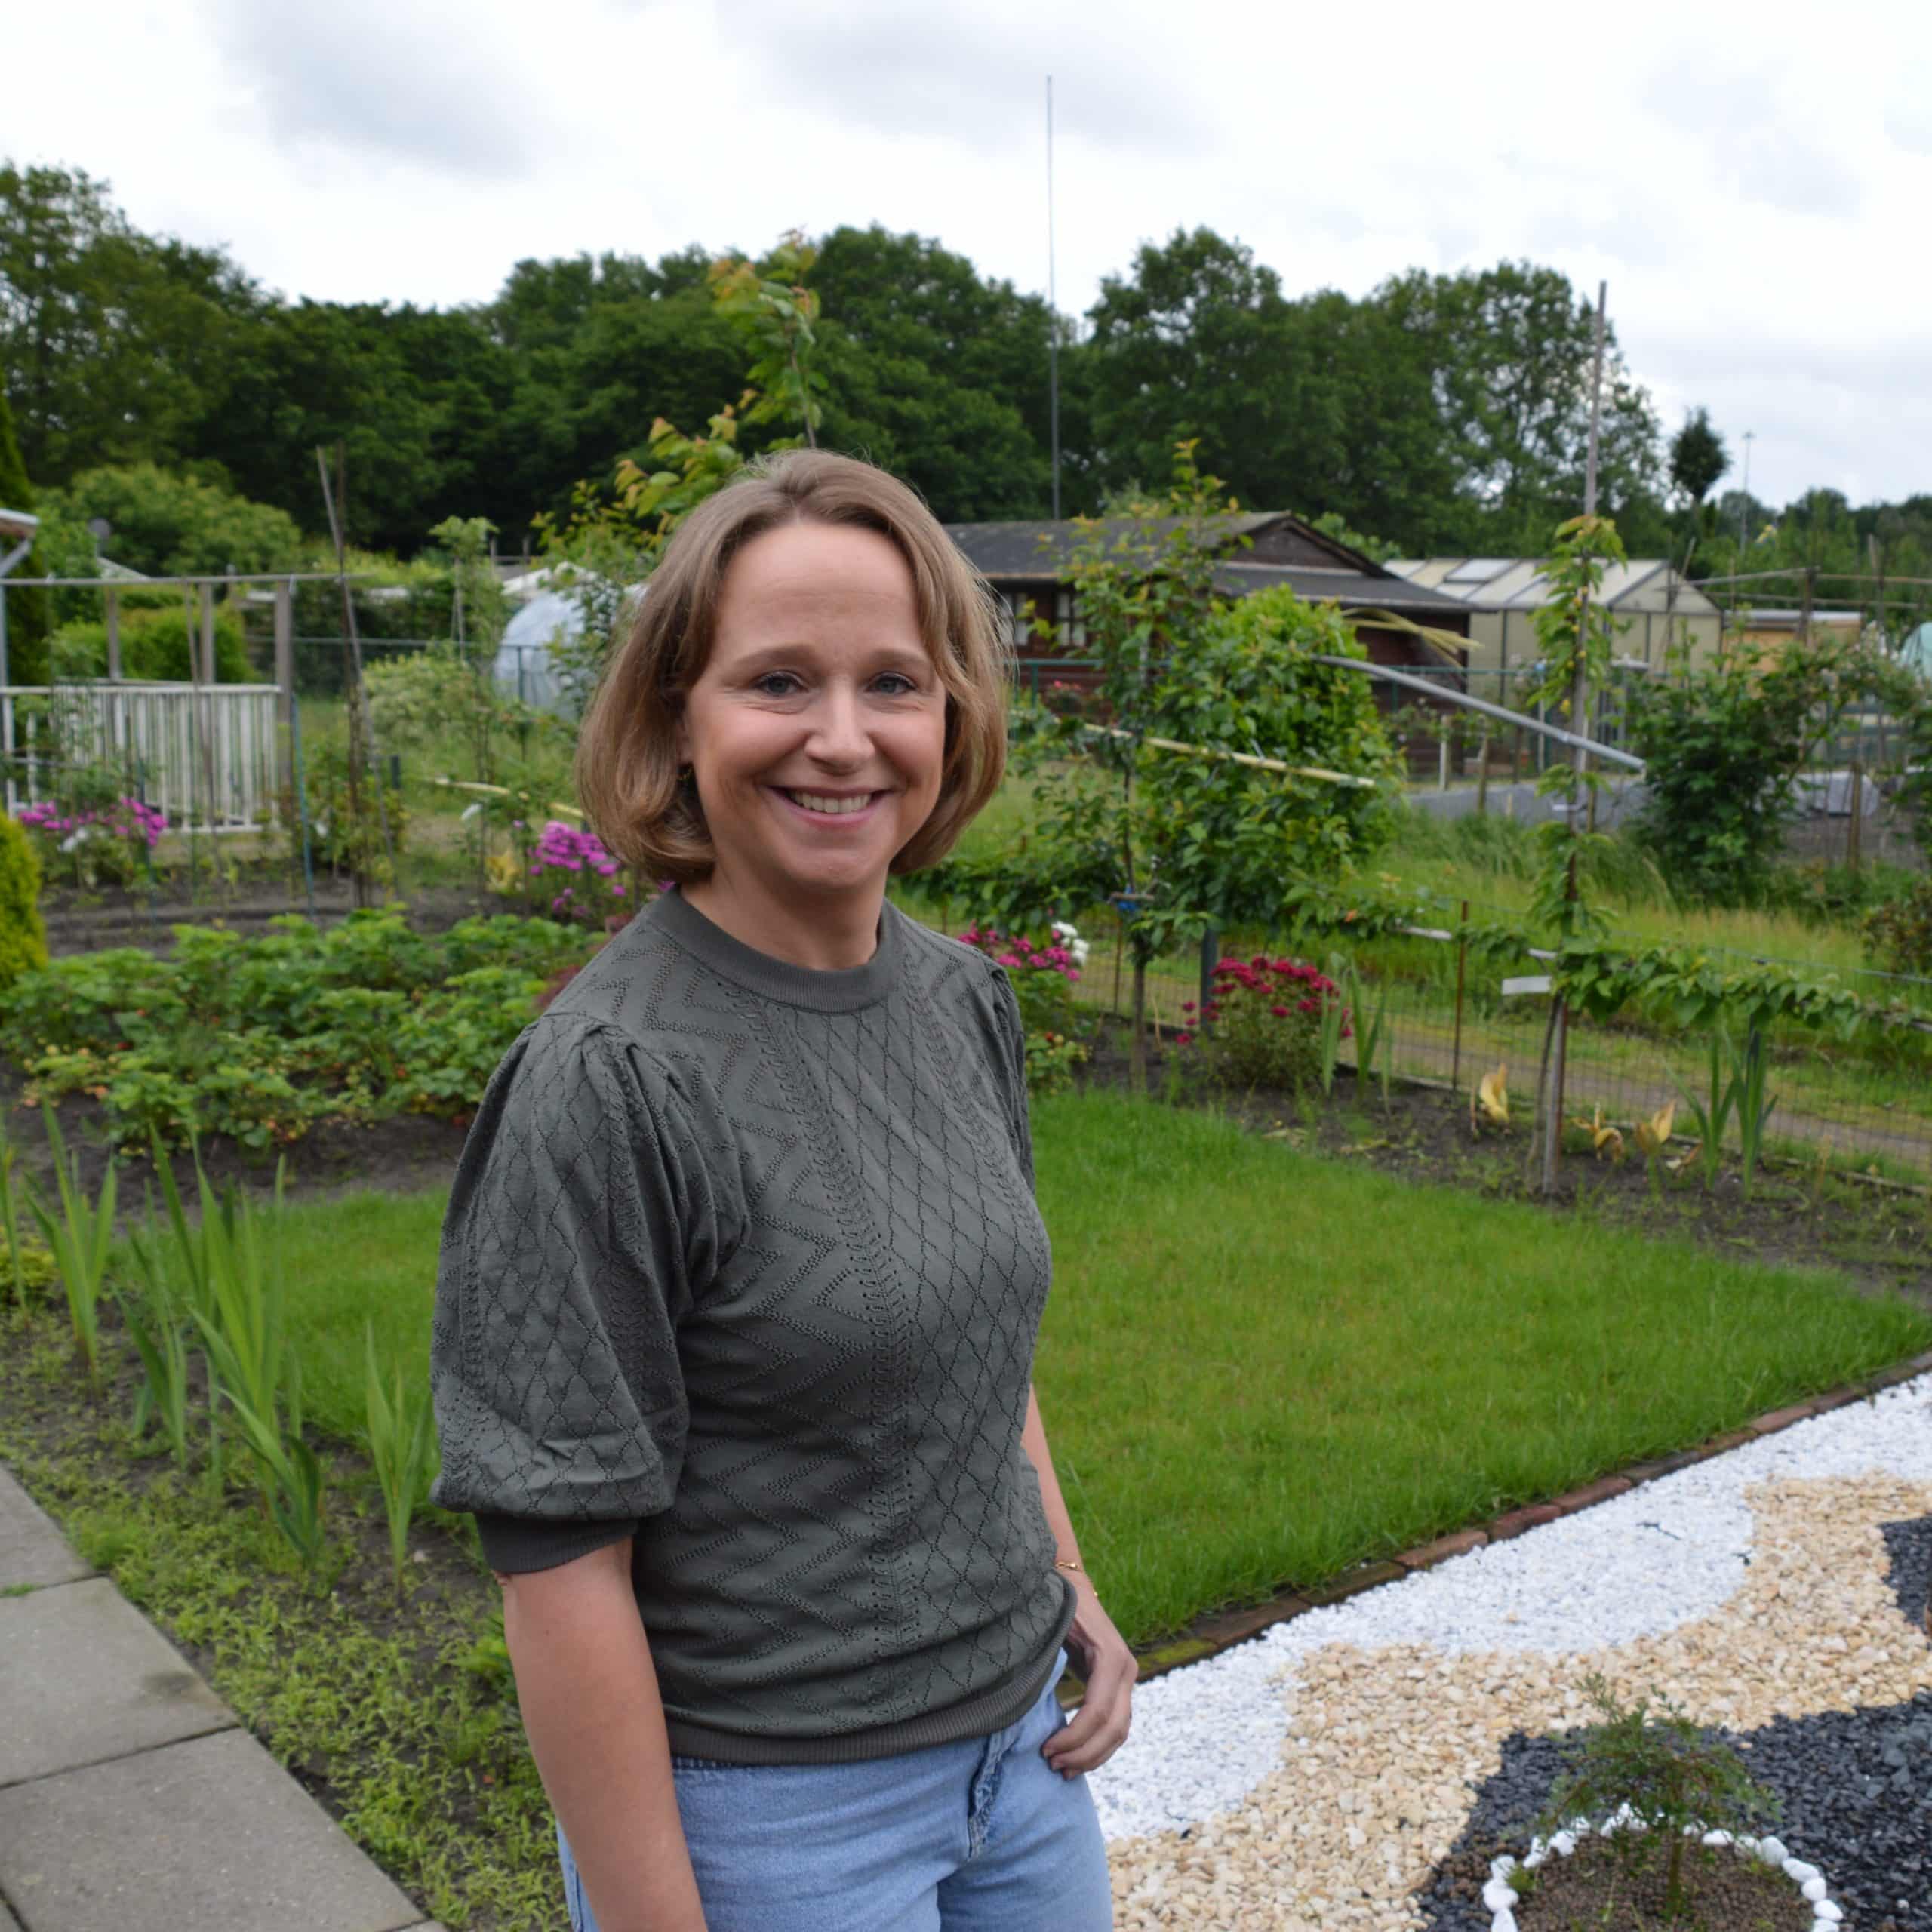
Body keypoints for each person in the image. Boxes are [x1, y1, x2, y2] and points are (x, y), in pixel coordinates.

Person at [429, 449, 1135, 1932]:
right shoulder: (606, 1080)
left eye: (892, 680)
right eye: (775, 682)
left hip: (1021, 1760)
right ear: (676, 716)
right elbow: (560, 1563)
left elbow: (975, 1344)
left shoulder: (959, 1000)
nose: (841, 737)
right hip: (774, 1821)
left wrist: (1058, 1573)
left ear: (951, 713)